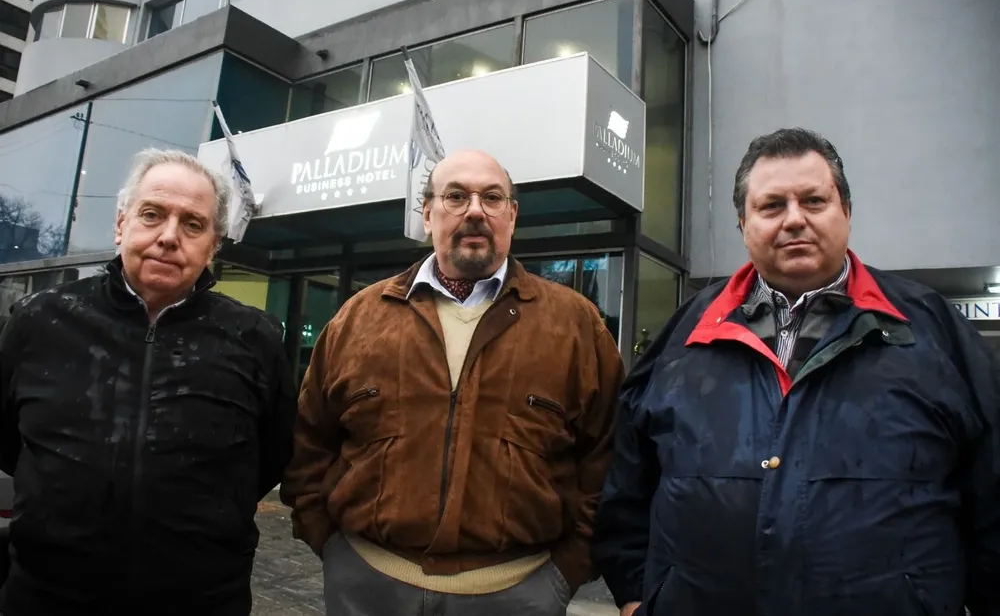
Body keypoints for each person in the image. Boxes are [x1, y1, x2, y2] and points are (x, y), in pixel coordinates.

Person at [592, 128, 1000, 616]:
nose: (794, 220)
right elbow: (630, 476)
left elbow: (992, 485)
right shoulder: (689, 330)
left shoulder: (929, 328)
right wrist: (637, 592)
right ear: (743, 223)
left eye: (813, 200)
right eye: (772, 206)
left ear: (845, 211)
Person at [281, 149, 625, 616]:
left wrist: (567, 569)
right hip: (367, 585)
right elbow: (311, 440)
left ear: (512, 215)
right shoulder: (359, 318)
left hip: (518, 594)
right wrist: (331, 545)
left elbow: (607, 456)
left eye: (493, 197)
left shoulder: (576, 325)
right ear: (427, 213)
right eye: (456, 196)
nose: (476, 211)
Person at [0, 148, 297, 615]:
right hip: (48, 597)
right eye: (152, 215)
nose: (169, 237)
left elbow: (271, 456)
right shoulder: (41, 321)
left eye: (193, 224)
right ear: (122, 225)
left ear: (214, 245)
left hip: (199, 601)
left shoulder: (255, 337)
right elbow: (10, 443)